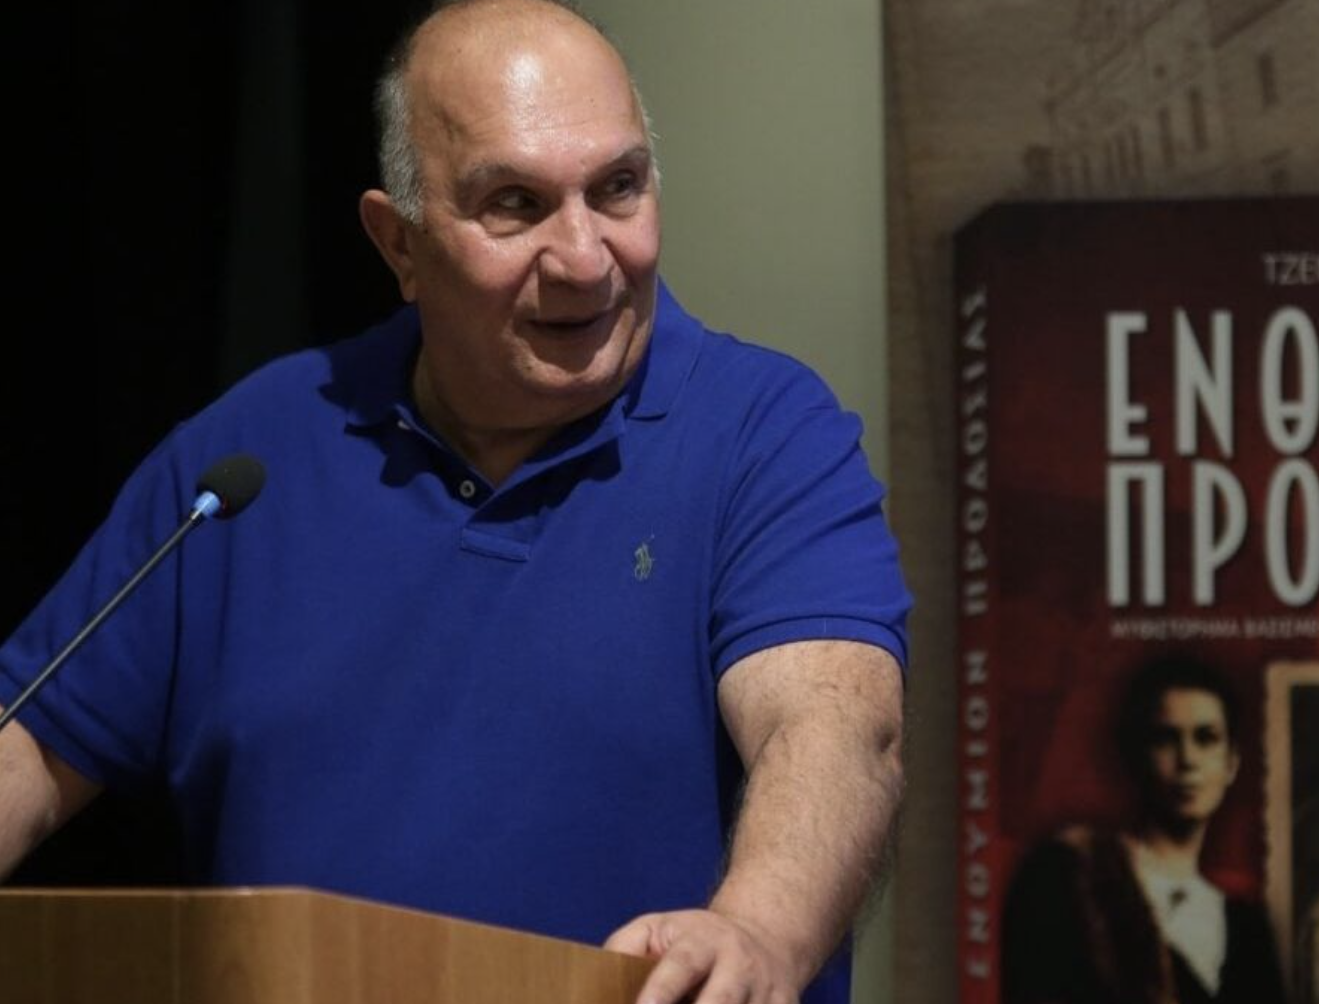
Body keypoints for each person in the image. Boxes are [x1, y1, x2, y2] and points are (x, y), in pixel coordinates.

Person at [0, 3, 909, 1004]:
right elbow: (26, 747)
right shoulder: (248, 457)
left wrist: (759, 930)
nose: (585, 257)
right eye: (516, 204)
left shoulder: (763, 434)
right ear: (399, 243)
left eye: (618, 187)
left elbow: (832, 729)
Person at [1000, 657, 1283, 1004]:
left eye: (1206, 738)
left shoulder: (1248, 929)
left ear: (1231, 765)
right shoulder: (1072, 876)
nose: (1188, 760)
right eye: (1166, 738)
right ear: (1136, 755)